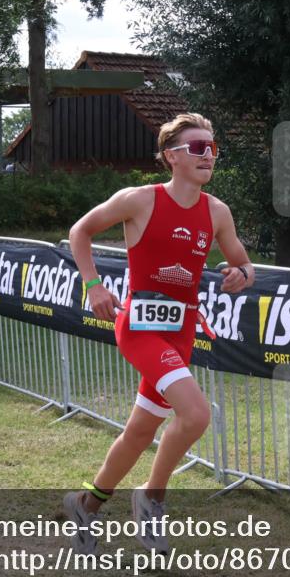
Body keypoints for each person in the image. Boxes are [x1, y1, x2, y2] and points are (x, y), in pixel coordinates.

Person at [63, 113, 255, 554]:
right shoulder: (139, 200)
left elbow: (244, 262)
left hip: (181, 331)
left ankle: (85, 504)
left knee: (140, 432)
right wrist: (93, 285)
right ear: (172, 156)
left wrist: (241, 274)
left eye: (213, 147)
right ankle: (152, 497)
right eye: (198, 148)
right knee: (196, 415)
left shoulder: (217, 211)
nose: (209, 155)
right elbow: (81, 231)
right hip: (141, 329)